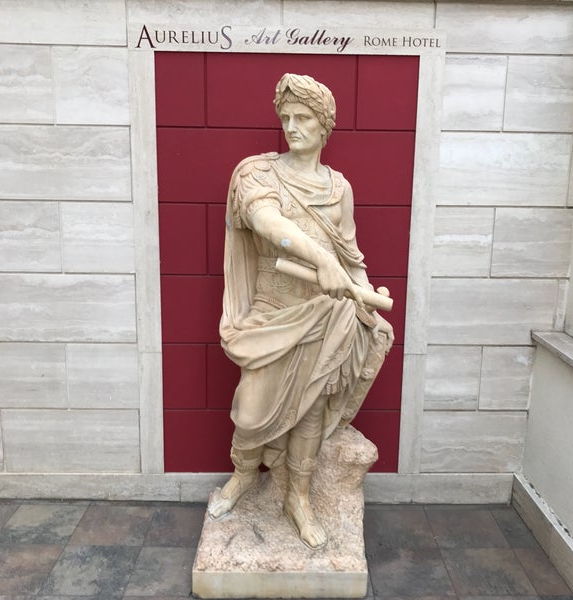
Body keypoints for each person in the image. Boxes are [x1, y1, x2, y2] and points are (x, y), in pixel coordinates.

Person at [209, 73, 394, 550]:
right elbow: (266, 222)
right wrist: (321, 259)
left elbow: (350, 259)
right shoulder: (258, 173)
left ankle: (300, 498)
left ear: (324, 125)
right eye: (286, 117)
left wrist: (366, 297)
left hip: (325, 315)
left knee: (310, 413)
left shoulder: (338, 188)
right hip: (272, 311)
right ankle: (243, 475)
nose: (292, 126)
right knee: (250, 412)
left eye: (304, 118)